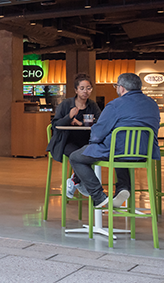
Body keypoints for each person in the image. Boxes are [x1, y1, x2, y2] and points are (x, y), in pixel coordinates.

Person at [69, 72, 161, 208]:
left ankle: (98, 196)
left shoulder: (115, 105)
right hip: (144, 152)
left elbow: (99, 132)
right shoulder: (152, 104)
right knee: (121, 154)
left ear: (122, 88)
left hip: (117, 151)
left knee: (76, 157)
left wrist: (94, 142)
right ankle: (123, 187)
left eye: (116, 86)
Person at [46, 73, 102, 198]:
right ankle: (80, 182)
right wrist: (69, 116)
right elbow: (55, 125)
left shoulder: (92, 105)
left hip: (86, 142)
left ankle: (74, 180)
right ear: (76, 90)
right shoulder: (66, 105)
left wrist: (81, 123)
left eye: (88, 88)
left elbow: (101, 122)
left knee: (88, 153)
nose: (85, 91)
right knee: (81, 155)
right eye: (82, 88)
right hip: (65, 142)